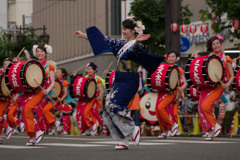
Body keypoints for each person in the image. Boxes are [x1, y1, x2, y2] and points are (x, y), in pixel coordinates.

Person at [74, 17, 165, 150]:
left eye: (126, 29)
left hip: (130, 80)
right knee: (107, 108)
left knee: (115, 105)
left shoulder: (138, 45)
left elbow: (142, 56)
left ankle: (132, 128)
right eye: (122, 29)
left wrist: (137, 43)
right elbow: (105, 40)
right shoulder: (120, 43)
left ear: (134, 30)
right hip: (119, 79)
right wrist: (83, 35)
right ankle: (122, 140)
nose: (123, 31)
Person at [192, 36, 234, 141]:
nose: (215, 46)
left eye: (217, 43)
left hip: (218, 86)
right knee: (201, 108)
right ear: (211, 47)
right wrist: (195, 59)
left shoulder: (226, 58)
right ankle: (209, 131)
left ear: (221, 44)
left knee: (206, 106)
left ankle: (215, 126)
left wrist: (227, 84)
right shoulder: (209, 58)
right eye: (213, 44)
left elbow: (232, 75)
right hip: (206, 86)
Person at [21, 43, 55, 145]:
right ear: (35, 53)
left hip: (41, 91)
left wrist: (48, 90)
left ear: (46, 53)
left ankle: (38, 131)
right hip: (30, 90)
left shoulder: (50, 66)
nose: (39, 53)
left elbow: (53, 82)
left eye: (41, 51)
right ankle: (32, 137)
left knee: (28, 108)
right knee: (24, 111)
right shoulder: (32, 64)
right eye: (38, 51)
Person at [156, 51, 187, 139]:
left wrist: (181, 89)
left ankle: (173, 125)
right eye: (169, 56)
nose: (171, 58)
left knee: (161, 108)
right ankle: (165, 131)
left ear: (176, 58)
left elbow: (185, 83)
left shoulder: (179, 69)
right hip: (161, 92)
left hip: (172, 92)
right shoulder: (162, 68)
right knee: (157, 112)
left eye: (173, 56)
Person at [0, 58, 13, 144]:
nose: (6, 65)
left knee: (0, 116)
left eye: (9, 64)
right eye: (5, 64)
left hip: (4, 99)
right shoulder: (1, 74)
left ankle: (7, 127)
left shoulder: (12, 76)